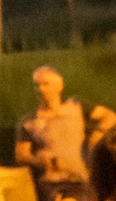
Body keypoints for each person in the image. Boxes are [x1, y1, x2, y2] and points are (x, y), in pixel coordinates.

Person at [14, 65, 89, 193]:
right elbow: (21, 155)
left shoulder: (76, 108)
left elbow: (110, 117)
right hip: (50, 184)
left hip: (80, 179)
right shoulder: (29, 121)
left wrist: (97, 135)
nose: (40, 89)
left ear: (59, 86)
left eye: (46, 84)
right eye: (37, 85)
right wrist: (39, 161)